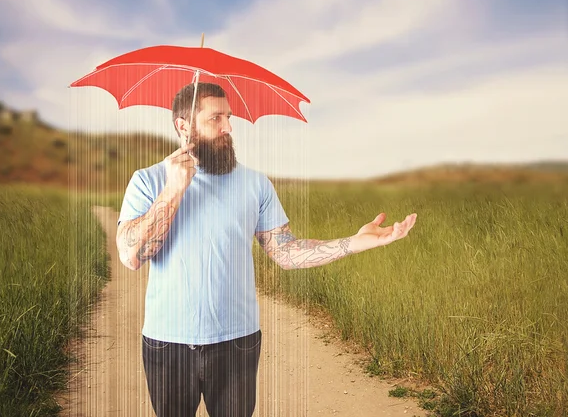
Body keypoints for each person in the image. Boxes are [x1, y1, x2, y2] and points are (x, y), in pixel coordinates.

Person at [116, 82, 417, 417]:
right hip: (166, 342)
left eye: (229, 117)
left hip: (237, 341)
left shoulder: (255, 183)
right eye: (216, 118)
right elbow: (131, 256)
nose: (229, 127)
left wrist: (353, 242)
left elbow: (286, 252)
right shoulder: (147, 181)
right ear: (183, 126)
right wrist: (173, 191)